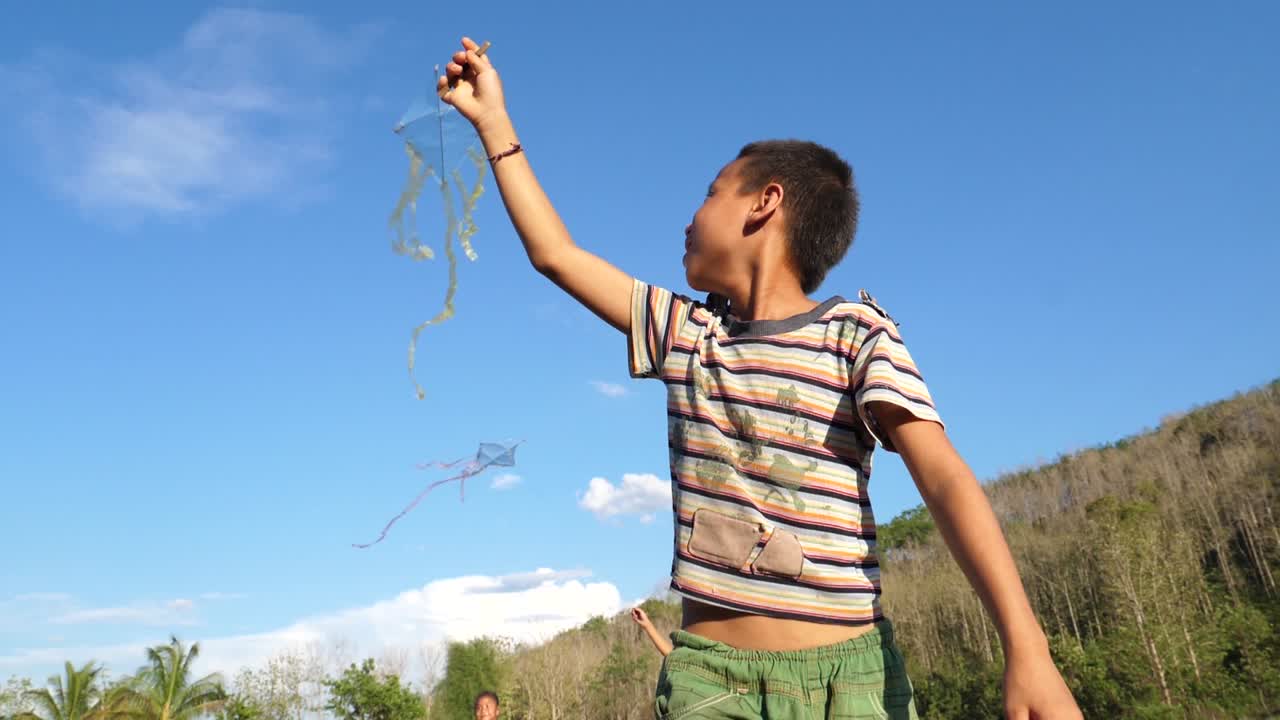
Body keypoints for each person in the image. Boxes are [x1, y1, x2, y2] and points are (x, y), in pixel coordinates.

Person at [437, 37, 1082, 720]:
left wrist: (1027, 645)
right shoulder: (686, 335)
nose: (690, 215)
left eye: (710, 193)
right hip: (713, 686)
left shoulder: (857, 334)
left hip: (853, 682)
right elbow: (555, 254)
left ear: (765, 203)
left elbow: (944, 477)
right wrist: (494, 124)